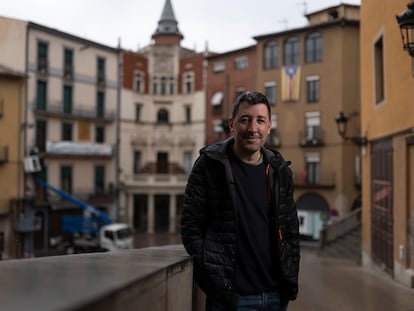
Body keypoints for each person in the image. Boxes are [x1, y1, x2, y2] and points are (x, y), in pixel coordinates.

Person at [181, 91, 300, 310]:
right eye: (245, 120)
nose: (253, 128)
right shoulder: (209, 165)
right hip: (230, 301)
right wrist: (214, 281)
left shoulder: (278, 170)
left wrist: (289, 281)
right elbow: (191, 227)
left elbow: (290, 230)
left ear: (269, 126)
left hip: (275, 298)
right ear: (232, 124)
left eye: (260, 120)